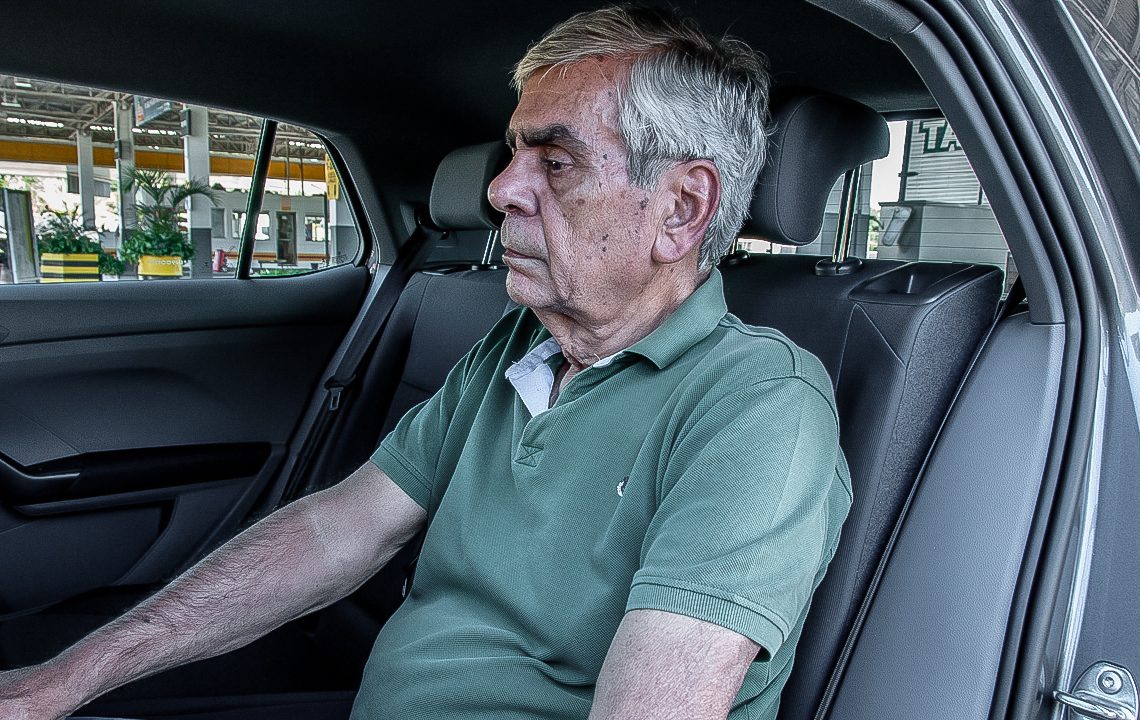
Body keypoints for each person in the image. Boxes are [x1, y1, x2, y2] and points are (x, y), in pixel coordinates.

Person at [0, 7, 850, 720]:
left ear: (682, 209)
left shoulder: (759, 408)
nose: (502, 190)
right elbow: (338, 530)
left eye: (555, 163)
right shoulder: (516, 349)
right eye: (513, 155)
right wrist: (61, 683)